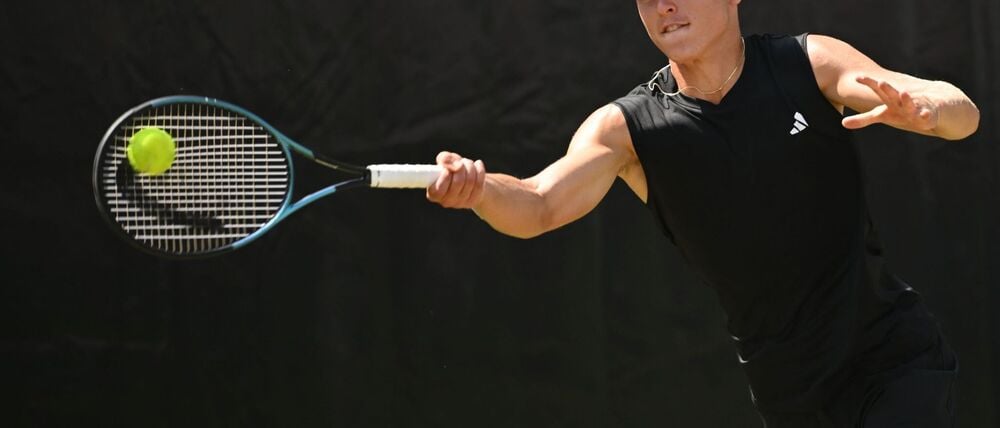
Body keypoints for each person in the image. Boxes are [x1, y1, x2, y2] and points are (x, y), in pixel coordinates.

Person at [426, 0, 980, 426]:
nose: (665, 5)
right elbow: (538, 204)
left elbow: (960, 113)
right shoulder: (626, 130)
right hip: (791, 395)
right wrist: (480, 191)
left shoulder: (808, 62)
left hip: (893, 360)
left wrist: (929, 109)